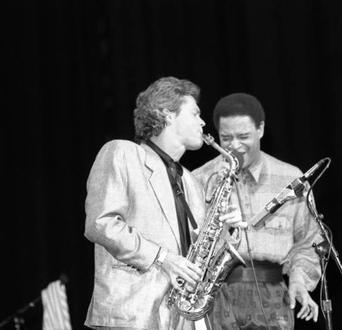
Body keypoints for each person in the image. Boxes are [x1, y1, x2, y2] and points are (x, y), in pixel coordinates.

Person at [83, 77, 242, 330]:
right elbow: (101, 224)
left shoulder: (190, 181)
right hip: (131, 314)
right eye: (195, 113)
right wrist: (163, 258)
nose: (202, 122)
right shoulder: (121, 152)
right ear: (167, 114)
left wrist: (226, 230)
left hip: (180, 318)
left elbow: (201, 251)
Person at [192, 93, 322, 330]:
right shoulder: (198, 180)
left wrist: (299, 280)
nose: (234, 146)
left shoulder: (291, 178)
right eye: (226, 138)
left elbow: (309, 242)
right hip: (215, 297)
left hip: (273, 296)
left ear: (261, 129)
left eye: (243, 136)